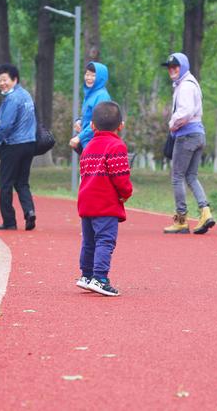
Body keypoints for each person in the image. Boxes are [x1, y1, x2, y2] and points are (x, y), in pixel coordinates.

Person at [76, 101, 132, 297]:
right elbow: (120, 177)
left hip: (86, 202)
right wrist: (126, 193)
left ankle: (86, 275)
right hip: (105, 204)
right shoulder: (117, 146)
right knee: (105, 240)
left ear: (92, 125)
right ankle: (100, 278)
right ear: (120, 125)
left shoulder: (88, 146)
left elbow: (83, 173)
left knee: (89, 241)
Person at [160, 52, 216, 234]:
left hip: (187, 136)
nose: (172, 70)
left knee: (177, 177)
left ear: (183, 66)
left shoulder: (185, 86)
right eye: (169, 67)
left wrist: (171, 124)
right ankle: (205, 212)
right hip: (198, 134)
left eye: (175, 66)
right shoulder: (191, 83)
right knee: (191, 176)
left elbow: (184, 112)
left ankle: (181, 220)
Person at [0, 63, 37, 231]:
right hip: (29, 144)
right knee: (22, 182)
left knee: (6, 184)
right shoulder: (26, 96)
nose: (2, 83)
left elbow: (6, 125)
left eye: (5, 79)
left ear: (14, 79)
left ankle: (9, 221)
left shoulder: (12, 99)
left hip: (13, 145)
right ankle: (29, 211)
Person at [69, 62, 111, 153]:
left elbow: (98, 122)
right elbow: (88, 115)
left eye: (93, 75)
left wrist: (79, 137)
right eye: (87, 74)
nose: (89, 78)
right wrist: (79, 121)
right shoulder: (90, 94)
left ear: (101, 78)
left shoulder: (102, 96)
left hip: (97, 145)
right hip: (87, 143)